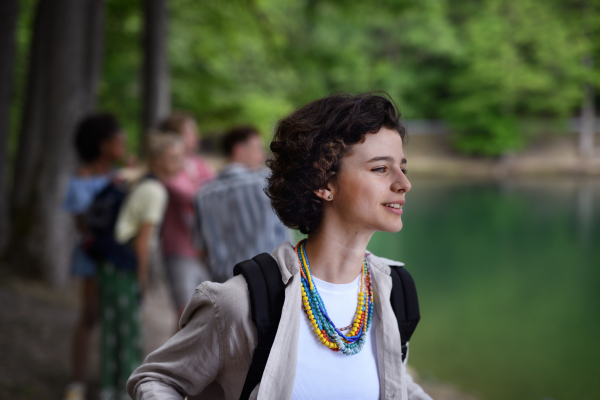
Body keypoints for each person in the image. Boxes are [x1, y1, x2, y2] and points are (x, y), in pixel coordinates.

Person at [127, 93, 433, 400]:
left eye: (402, 168)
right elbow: (156, 379)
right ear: (324, 183)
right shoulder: (240, 304)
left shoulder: (394, 290)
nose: (403, 183)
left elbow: (396, 380)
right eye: (380, 168)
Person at [98, 133, 184, 400]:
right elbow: (142, 243)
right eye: (172, 158)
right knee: (129, 334)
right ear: (157, 160)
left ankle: (107, 389)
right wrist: (142, 279)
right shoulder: (154, 191)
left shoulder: (140, 181)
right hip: (124, 268)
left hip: (108, 264)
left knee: (112, 332)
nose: (179, 163)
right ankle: (126, 392)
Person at [63, 114, 126, 400]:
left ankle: (111, 381)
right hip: (93, 257)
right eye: (118, 140)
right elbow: (83, 224)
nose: (123, 145)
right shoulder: (83, 180)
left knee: (116, 317)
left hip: (118, 256)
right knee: (89, 315)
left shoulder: (122, 176)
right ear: (104, 146)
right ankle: (77, 383)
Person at [193, 125, 290, 283]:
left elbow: (200, 248)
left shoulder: (202, 194)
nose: (262, 155)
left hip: (223, 284)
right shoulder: (267, 184)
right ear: (238, 149)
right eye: (257, 148)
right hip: (269, 281)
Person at [159, 112, 215, 323]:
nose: (196, 135)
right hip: (179, 248)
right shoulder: (169, 164)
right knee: (185, 313)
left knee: (202, 312)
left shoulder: (198, 163)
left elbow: (213, 191)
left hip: (203, 250)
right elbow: (191, 196)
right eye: (190, 131)